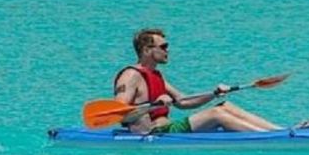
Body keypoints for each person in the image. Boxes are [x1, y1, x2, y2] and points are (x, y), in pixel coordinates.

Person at [114, 28, 289, 135]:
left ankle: (280, 132)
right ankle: (268, 137)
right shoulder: (131, 75)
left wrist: (213, 94)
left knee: (224, 105)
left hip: (167, 128)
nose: (168, 50)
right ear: (146, 50)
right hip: (155, 132)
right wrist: (153, 105)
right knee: (215, 115)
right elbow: (118, 112)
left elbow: (183, 101)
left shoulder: (156, 75)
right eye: (164, 47)